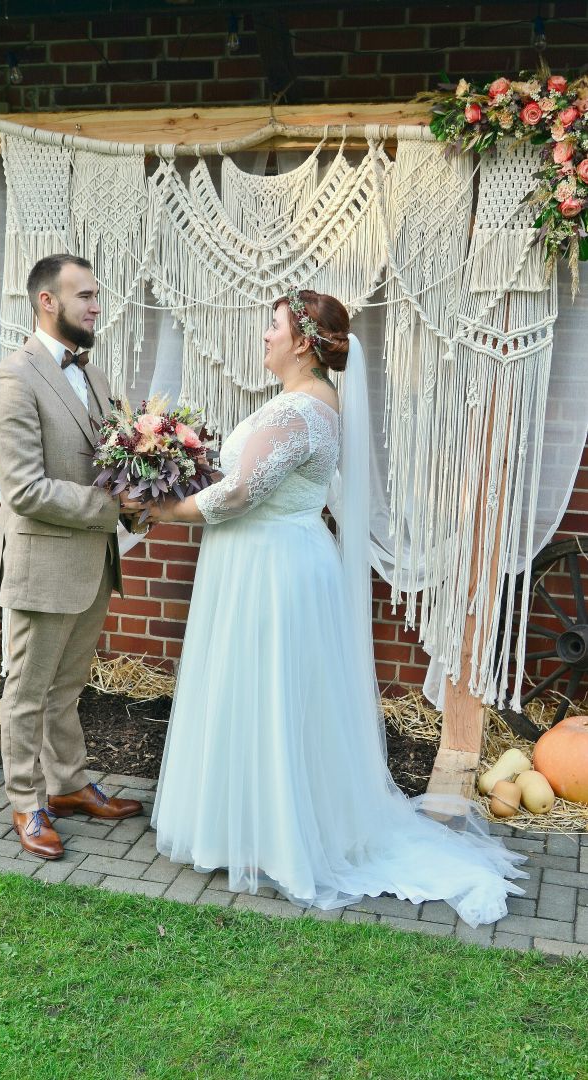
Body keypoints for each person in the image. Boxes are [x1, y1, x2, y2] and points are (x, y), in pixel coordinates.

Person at [136, 288, 527, 926]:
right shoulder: (300, 404)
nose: (264, 335)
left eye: (273, 325)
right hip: (262, 561)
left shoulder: (301, 412)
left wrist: (162, 509)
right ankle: (252, 826)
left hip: (274, 569)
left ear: (301, 341)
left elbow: (239, 494)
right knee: (258, 693)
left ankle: (275, 839)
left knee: (270, 695)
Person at [0, 254, 142, 861]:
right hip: (43, 567)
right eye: (85, 296)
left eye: (96, 296)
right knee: (26, 692)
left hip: (93, 564)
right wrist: (111, 505)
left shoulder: (95, 377)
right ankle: (27, 803)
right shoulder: (13, 379)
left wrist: (148, 483)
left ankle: (69, 785)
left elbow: (117, 459)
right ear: (47, 302)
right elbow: (22, 489)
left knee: (67, 687)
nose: (96, 306)